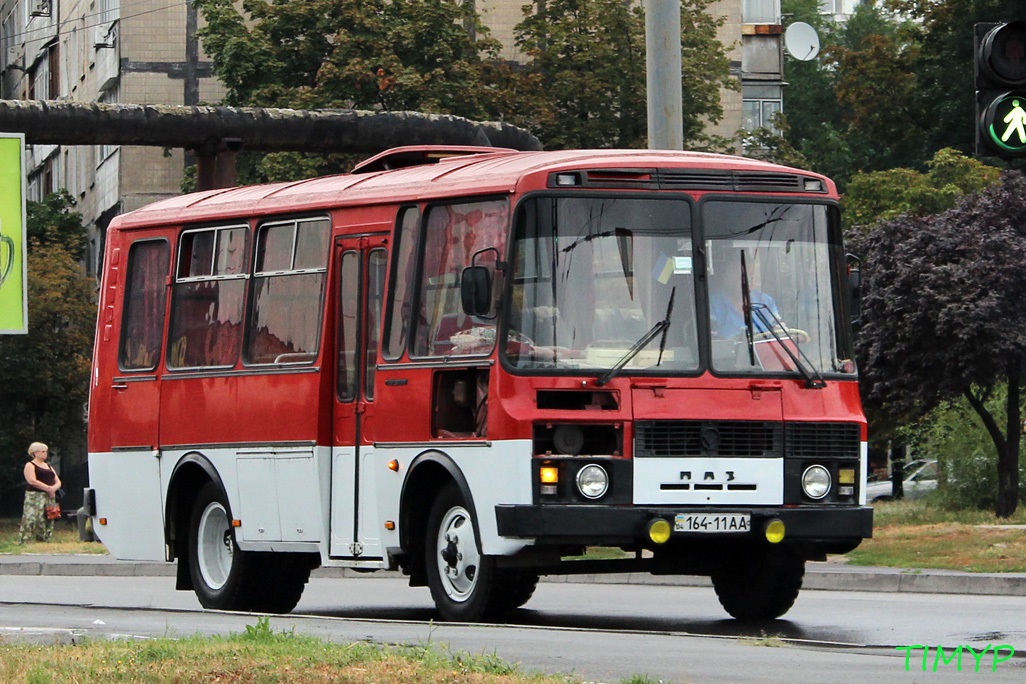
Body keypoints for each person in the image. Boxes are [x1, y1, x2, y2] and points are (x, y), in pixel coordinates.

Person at [708, 256, 782, 339]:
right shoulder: (712, 304)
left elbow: (779, 331)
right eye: (739, 275)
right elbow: (712, 340)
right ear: (727, 276)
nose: (745, 280)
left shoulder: (765, 301)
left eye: (751, 276)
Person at [18, 442, 62, 544]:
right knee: (33, 518)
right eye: (43, 451)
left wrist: (53, 488)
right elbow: (32, 481)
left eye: (46, 451)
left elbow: (58, 481)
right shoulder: (30, 465)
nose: (45, 453)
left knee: (49, 516)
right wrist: (47, 488)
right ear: (35, 453)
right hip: (35, 496)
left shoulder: (48, 466)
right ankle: (27, 539)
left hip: (49, 496)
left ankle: (45, 538)